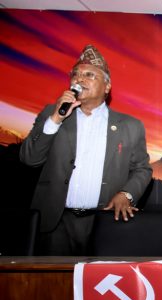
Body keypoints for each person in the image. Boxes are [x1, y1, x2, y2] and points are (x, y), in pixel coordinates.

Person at [20, 44, 152, 255]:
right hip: (56, 222)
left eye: (89, 75)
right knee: (53, 277)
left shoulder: (130, 126)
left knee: (101, 277)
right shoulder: (52, 114)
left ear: (107, 87)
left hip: (105, 220)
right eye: (75, 75)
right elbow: (30, 159)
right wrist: (55, 120)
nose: (79, 80)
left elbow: (142, 169)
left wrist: (126, 194)